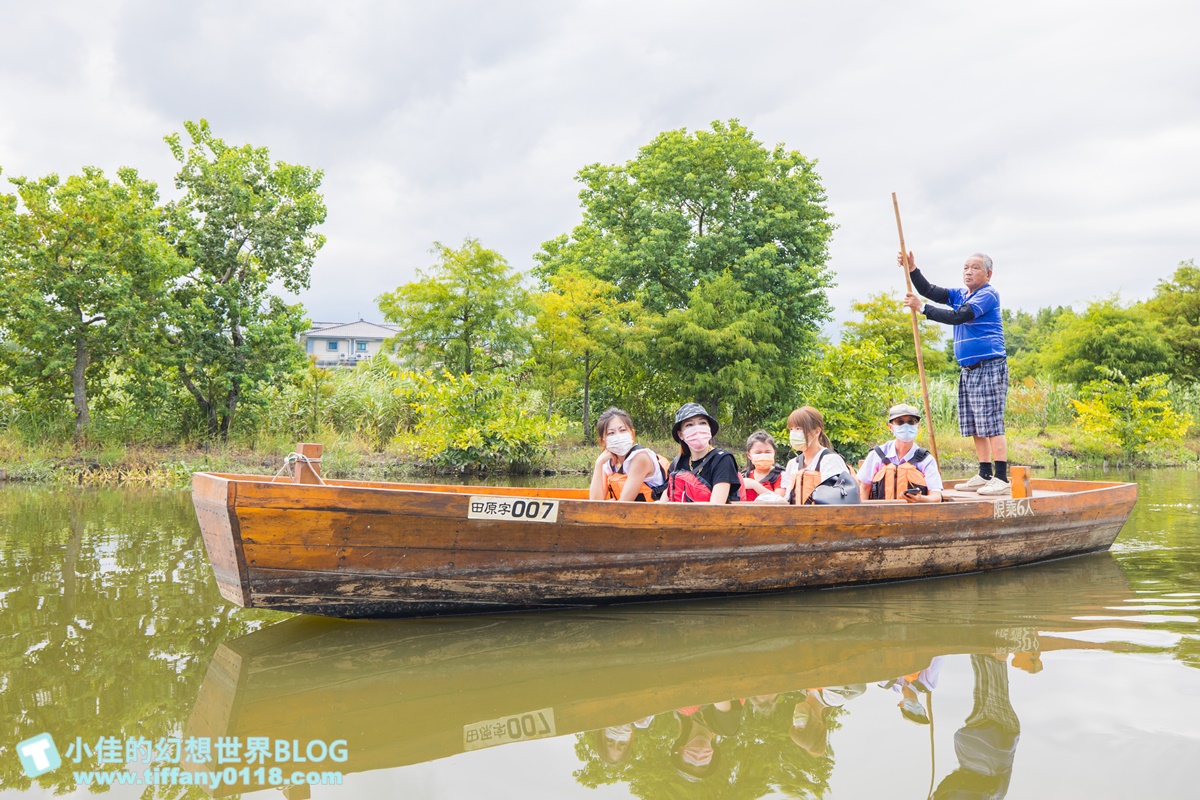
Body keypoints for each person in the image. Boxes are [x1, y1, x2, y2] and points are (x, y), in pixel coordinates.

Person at [901, 251, 1010, 496]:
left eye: (975, 268)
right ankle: (984, 474)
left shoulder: (988, 294)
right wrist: (912, 269)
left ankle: (1001, 477)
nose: (968, 271)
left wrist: (922, 309)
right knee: (975, 424)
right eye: (965, 267)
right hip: (969, 369)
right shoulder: (961, 294)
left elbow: (959, 316)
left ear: (988, 274)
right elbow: (930, 290)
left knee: (991, 423)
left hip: (990, 364)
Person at [856, 403, 945, 503]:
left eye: (911, 422)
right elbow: (863, 489)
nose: (906, 426)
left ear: (918, 426)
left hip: (914, 516)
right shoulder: (877, 454)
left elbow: (936, 496)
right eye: (900, 422)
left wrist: (920, 499)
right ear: (891, 427)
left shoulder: (926, 459)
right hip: (879, 515)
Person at [662, 403, 742, 503]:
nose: (697, 428)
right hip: (677, 517)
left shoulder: (723, 459)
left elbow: (716, 505)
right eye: (689, 425)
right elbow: (663, 503)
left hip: (713, 517)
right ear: (681, 434)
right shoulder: (677, 463)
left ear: (709, 429)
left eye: (702, 423)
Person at [778, 406, 855, 504]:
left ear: (817, 431)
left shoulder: (830, 460)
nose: (794, 433)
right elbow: (788, 498)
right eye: (791, 429)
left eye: (799, 428)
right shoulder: (793, 464)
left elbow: (837, 499)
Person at [589, 407, 668, 502]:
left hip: (654, 514)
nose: (618, 436)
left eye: (622, 430)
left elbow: (624, 503)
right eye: (611, 433)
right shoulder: (607, 463)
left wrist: (610, 503)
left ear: (632, 434)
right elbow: (595, 503)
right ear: (602, 441)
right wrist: (598, 464)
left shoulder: (640, 458)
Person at [741, 431, 785, 502]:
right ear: (749, 455)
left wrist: (754, 485)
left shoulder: (781, 476)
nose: (763, 456)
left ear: (774, 452)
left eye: (767, 452)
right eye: (758, 452)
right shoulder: (744, 476)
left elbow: (779, 501)